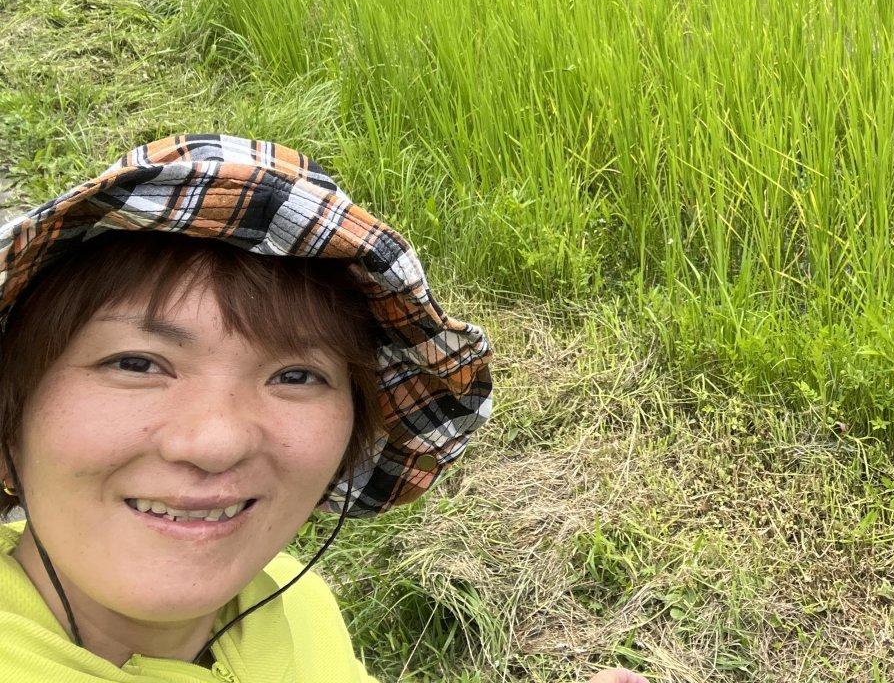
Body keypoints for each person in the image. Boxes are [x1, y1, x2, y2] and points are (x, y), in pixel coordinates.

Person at [0, 134, 646, 683]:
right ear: (11, 413)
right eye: (137, 364)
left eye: (296, 375)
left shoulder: (294, 597)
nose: (216, 441)